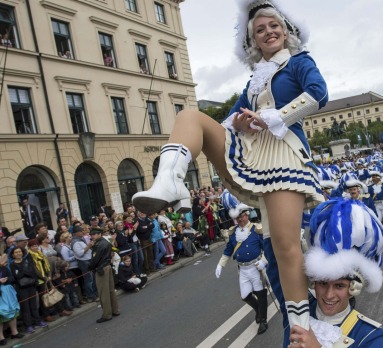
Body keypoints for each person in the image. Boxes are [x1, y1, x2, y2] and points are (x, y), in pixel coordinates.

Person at [132, 0, 328, 331]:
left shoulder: (299, 62)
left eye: (273, 26)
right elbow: (227, 120)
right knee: (189, 116)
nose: (268, 32)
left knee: (285, 249)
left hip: (284, 155)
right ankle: (170, 180)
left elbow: (318, 94)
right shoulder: (255, 79)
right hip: (250, 154)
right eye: (260, 29)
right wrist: (239, 121)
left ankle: (300, 330)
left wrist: (270, 118)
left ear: (287, 30)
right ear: (252, 40)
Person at [290, 196, 383, 347]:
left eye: (339, 286)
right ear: (313, 282)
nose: (329, 295)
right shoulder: (297, 308)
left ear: (353, 289)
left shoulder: (371, 336)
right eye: (323, 283)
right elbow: (281, 250)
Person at [215, 204, 268, 335]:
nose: (239, 220)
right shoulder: (233, 233)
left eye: (241, 216)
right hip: (243, 269)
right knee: (245, 296)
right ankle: (258, 311)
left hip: (256, 267)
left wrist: (264, 261)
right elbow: (228, 250)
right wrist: (220, 264)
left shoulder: (257, 230)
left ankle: (263, 320)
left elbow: (267, 248)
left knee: (260, 294)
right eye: (237, 218)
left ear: (247, 215)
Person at [10, 247, 47, 333]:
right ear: (13, 255)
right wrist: (25, 272)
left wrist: (22, 272)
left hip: (31, 286)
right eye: (16, 252)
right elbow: (17, 276)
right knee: (25, 307)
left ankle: (38, 321)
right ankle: (28, 325)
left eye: (19, 251)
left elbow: (32, 272)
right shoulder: (12, 265)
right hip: (21, 288)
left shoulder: (28, 260)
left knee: (34, 305)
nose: (18, 253)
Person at [88, 227, 120, 323]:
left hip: (101, 269)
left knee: (103, 293)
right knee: (111, 290)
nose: (92, 236)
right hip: (107, 266)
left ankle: (107, 314)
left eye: (93, 234)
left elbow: (95, 259)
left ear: (99, 234)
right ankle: (115, 310)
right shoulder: (106, 242)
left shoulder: (98, 245)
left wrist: (90, 267)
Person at [0, 254, 25, 344]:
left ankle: (14, 332)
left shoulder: (3, 268)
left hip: (7, 292)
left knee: (13, 311)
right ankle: (1, 337)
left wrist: (6, 279)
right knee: (1, 314)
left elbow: (12, 278)